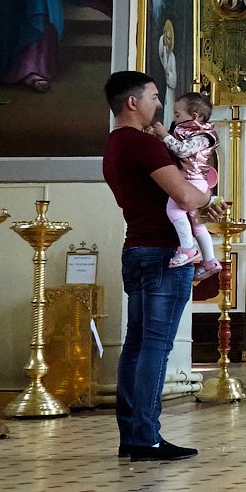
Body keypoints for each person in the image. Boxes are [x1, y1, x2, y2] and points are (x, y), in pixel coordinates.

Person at [102, 71, 209, 462]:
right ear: (132, 102)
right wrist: (207, 196)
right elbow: (186, 196)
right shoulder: (143, 144)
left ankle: (132, 436)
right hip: (164, 253)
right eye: (153, 96)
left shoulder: (114, 143)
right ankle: (146, 438)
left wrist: (195, 198)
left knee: (136, 344)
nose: (160, 104)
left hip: (136, 249)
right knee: (155, 347)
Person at [157, 92, 222, 277]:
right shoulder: (186, 131)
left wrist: (164, 135)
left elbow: (181, 150)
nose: (174, 119)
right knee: (198, 224)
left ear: (194, 116)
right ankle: (210, 260)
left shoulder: (204, 135)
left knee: (173, 209)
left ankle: (188, 249)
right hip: (193, 181)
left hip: (193, 180)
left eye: (177, 115)